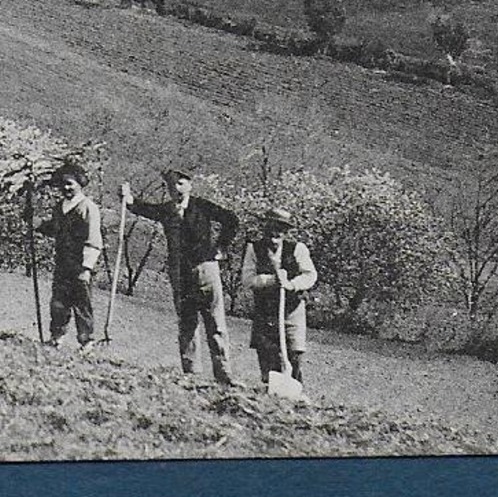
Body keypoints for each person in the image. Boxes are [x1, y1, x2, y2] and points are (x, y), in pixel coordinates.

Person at [121, 168, 240, 385]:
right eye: (170, 185)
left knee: (215, 322)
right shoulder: (167, 210)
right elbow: (145, 209)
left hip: (206, 268)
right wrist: (129, 199)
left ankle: (223, 374)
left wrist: (220, 247)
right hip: (180, 273)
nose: (175, 189)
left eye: (180, 184)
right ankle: (191, 372)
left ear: (189, 185)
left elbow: (231, 219)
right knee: (187, 322)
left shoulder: (201, 206)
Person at [244, 207, 319, 387]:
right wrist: (271, 280)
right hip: (265, 309)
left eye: (280, 228)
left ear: (286, 231)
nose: (274, 232)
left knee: (294, 353)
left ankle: (295, 392)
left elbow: (310, 275)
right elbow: (247, 279)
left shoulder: (298, 249)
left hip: (292, 309)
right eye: (270, 227)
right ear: (264, 227)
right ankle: (270, 390)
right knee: (266, 353)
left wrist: (291, 284)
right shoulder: (254, 249)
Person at [37, 163, 104, 350]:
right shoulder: (60, 207)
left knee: (82, 306)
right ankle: (56, 338)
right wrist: (37, 224)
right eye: (63, 184)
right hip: (62, 263)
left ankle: (86, 343)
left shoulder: (88, 208)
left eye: (70, 184)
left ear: (80, 183)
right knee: (58, 303)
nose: (66, 188)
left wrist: (87, 268)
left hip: (81, 265)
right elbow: (54, 229)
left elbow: (93, 239)